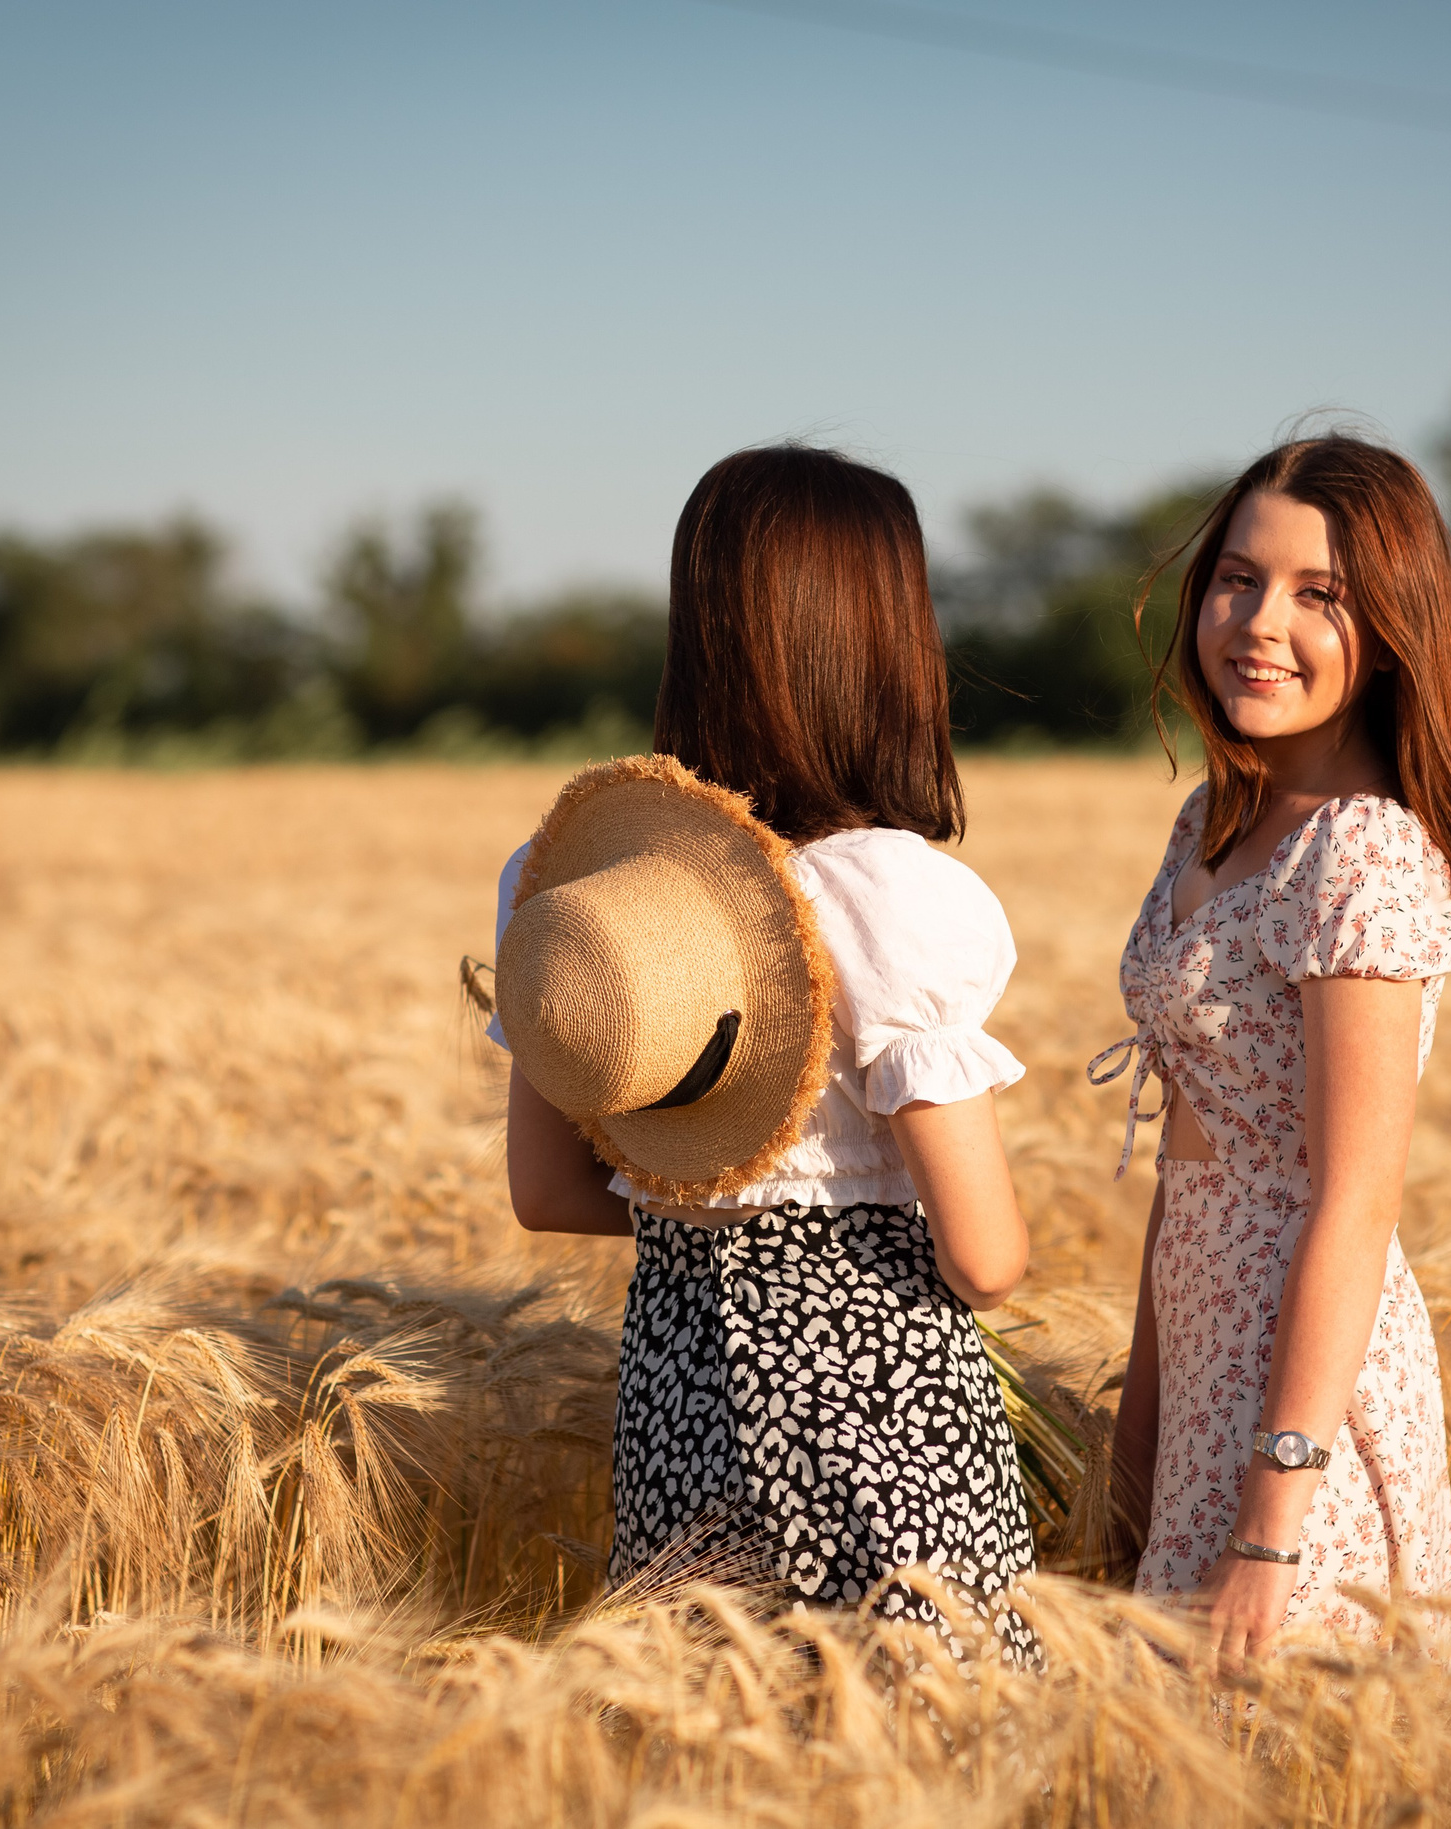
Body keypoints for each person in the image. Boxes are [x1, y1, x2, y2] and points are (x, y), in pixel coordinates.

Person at [489, 444, 1037, 1659]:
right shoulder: (885, 896)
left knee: (719, 1736)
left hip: (679, 1407)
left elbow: (546, 1191)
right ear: (889, 643)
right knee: (927, 1740)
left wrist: (721, 1223)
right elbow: (986, 1258)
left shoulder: (582, 895)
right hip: (886, 1432)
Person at [1096, 433, 1451, 1668]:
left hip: (1303, 1398)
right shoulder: (1213, 820)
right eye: (1237, 579)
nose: (1258, 623)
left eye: (1317, 595)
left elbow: (1354, 1196)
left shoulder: (1363, 853)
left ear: (1390, 630)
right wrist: (1140, 1431)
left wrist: (1275, 1516)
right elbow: (1196, 1162)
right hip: (1203, 1364)